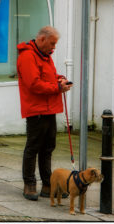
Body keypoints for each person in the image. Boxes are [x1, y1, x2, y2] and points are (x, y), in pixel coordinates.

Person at [16, 26, 73, 201]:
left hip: (49, 108)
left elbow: (49, 77)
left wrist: (59, 79)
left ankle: (48, 185)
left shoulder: (45, 56)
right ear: (41, 39)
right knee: (33, 147)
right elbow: (34, 84)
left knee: (48, 148)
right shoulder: (27, 56)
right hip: (36, 109)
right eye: (52, 43)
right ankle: (29, 184)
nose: (54, 48)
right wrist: (57, 87)